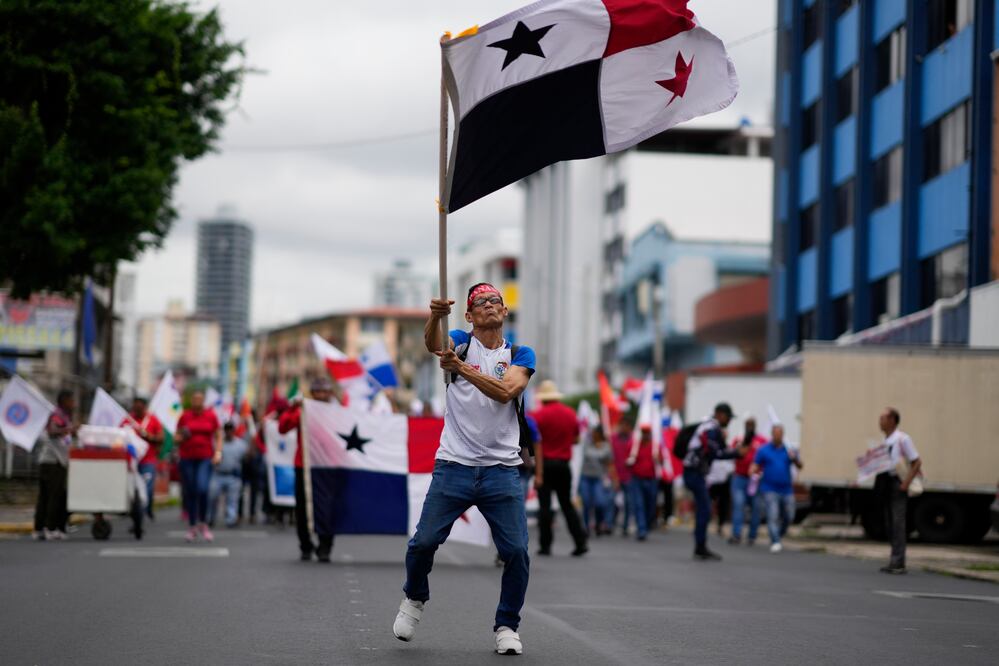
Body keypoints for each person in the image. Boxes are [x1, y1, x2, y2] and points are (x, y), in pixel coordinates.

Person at [394, 284, 535, 656]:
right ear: (469, 316)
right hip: (454, 464)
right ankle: (414, 597)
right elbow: (434, 344)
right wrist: (436, 316)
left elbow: (507, 391)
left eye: (494, 301)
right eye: (478, 304)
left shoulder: (520, 353)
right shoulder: (459, 341)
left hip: (501, 471)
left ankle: (507, 625)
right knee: (423, 542)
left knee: (517, 551)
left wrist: (461, 370)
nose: (488, 306)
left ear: (504, 311)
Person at [279, 378, 336, 562]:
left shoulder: (337, 413)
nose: (321, 395)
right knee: (302, 508)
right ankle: (305, 545)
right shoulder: (303, 411)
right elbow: (283, 428)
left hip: (327, 467)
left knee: (327, 508)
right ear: (313, 394)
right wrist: (293, 409)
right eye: (318, 392)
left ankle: (325, 546)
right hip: (303, 466)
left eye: (325, 392)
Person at [531, 379, 588, 558]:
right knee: (567, 505)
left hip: (544, 466)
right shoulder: (571, 414)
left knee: (545, 507)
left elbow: (534, 444)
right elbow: (577, 440)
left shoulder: (537, 416)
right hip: (564, 466)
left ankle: (545, 546)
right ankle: (580, 542)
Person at [682, 402, 744, 561]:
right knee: (705, 508)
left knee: (704, 508)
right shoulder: (710, 428)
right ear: (720, 415)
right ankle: (700, 546)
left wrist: (735, 452)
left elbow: (720, 450)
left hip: (696, 473)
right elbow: (715, 452)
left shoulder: (710, 427)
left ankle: (700, 545)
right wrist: (736, 454)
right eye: (728, 417)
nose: (729, 421)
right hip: (693, 473)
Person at [875, 407, 921, 574]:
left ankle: (898, 561)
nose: (880, 421)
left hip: (898, 482)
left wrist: (906, 483)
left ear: (892, 420)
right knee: (889, 522)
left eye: (883, 418)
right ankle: (894, 558)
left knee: (898, 522)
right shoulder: (887, 440)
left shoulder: (903, 439)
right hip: (886, 482)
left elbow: (916, 461)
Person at [176, 389, 222, 543]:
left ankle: (203, 523)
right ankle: (192, 526)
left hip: (205, 457)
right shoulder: (185, 416)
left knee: (202, 488)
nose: (196, 402)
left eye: (199, 399)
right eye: (194, 399)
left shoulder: (210, 415)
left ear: (203, 401)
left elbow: (218, 433)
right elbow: (176, 436)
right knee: (190, 491)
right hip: (187, 457)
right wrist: (181, 437)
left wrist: (218, 452)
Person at [750, 424, 802, 553]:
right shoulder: (764, 450)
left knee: (789, 515)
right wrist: (752, 472)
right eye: (775, 433)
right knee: (772, 515)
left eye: (780, 434)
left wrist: (794, 458)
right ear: (772, 434)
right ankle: (775, 540)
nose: (778, 436)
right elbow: (755, 465)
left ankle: (778, 533)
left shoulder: (789, 450)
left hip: (786, 489)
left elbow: (800, 465)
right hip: (769, 488)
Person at [33, 389, 76, 541]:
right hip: (53, 461)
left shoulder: (64, 416)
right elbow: (52, 431)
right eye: (71, 401)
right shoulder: (58, 414)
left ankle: (39, 528)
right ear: (64, 401)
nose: (74, 404)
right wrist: (70, 429)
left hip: (54, 460)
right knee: (53, 495)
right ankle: (49, 528)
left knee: (45, 495)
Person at [728, 417, 766, 545]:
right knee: (739, 505)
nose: (749, 427)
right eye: (747, 425)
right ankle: (736, 534)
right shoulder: (739, 439)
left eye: (752, 425)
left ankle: (752, 535)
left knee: (756, 507)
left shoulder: (761, 441)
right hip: (739, 477)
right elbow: (731, 453)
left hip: (755, 480)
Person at [127, 396, 164, 521]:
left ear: (144, 407)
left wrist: (148, 436)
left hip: (147, 461)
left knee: (146, 488)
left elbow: (160, 438)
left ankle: (140, 515)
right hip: (130, 462)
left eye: (140, 406)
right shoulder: (128, 420)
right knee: (132, 489)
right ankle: (139, 513)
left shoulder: (153, 420)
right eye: (135, 405)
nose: (137, 408)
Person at [578, 426, 616, 537]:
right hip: (586, 477)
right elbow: (588, 454)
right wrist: (599, 453)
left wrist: (614, 478)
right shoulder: (587, 443)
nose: (593, 435)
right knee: (586, 502)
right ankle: (585, 526)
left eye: (595, 433)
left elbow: (609, 462)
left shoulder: (606, 446)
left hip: (598, 478)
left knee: (600, 503)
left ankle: (599, 523)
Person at [209, 422, 249, 528]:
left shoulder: (240, 444)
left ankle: (231, 519)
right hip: (218, 474)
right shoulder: (217, 443)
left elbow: (247, 458)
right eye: (227, 429)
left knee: (232, 499)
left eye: (231, 429)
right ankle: (210, 517)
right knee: (212, 496)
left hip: (233, 475)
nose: (229, 432)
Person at [627, 425, 659, 541]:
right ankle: (641, 529)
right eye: (644, 433)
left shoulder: (655, 446)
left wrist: (657, 459)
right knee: (639, 504)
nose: (645, 435)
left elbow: (662, 461)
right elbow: (627, 461)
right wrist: (630, 460)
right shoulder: (634, 446)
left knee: (650, 504)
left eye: (647, 433)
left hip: (651, 479)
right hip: (637, 479)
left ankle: (646, 524)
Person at [610, 416, 635, 536]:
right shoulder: (613, 439)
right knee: (611, 501)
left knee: (628, 502)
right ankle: (609, 524)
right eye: (622, 425)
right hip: (615, 474)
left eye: (626, 426)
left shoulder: (634, 441)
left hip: (629, 475)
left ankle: (625, 526)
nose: (623, 428)